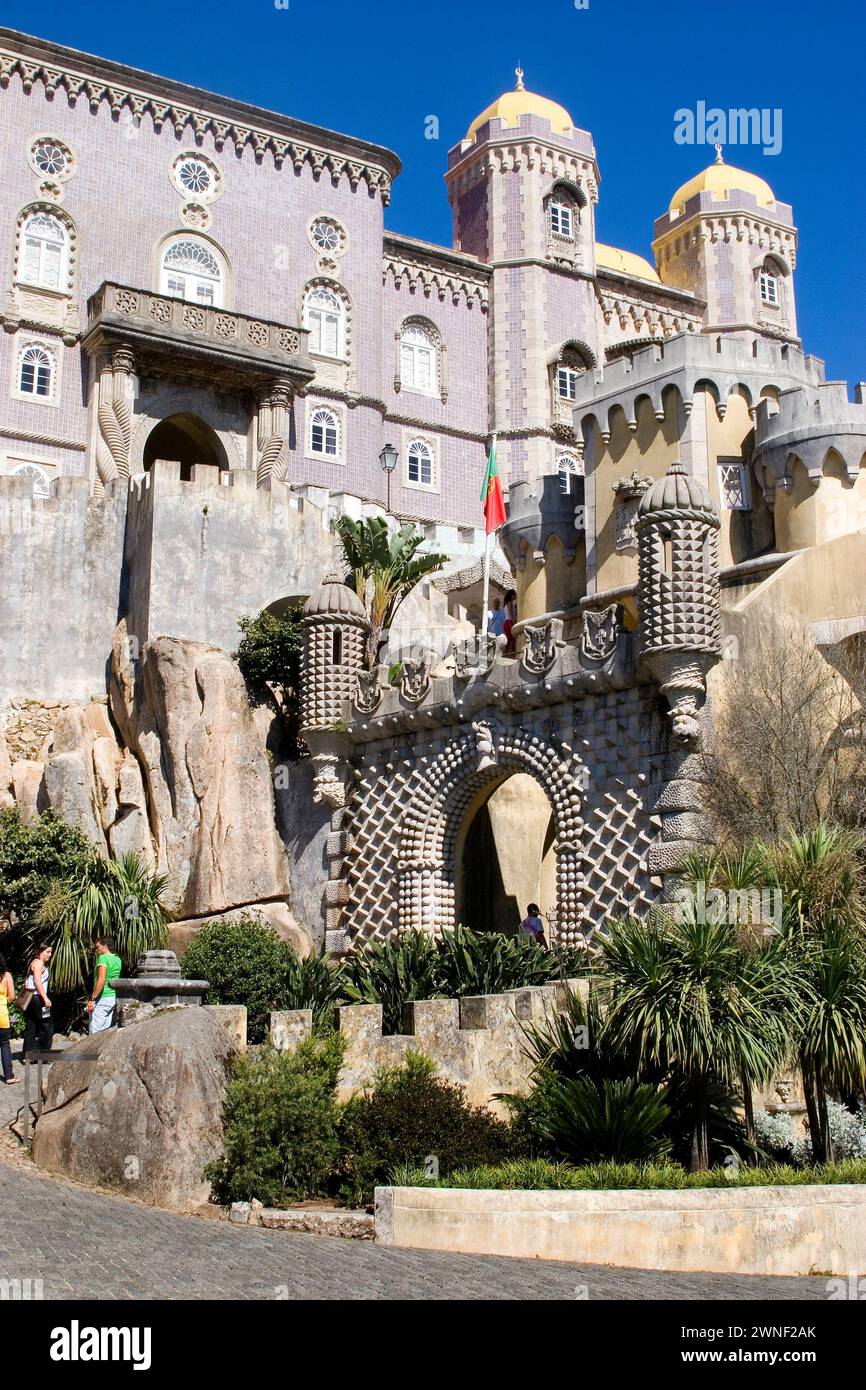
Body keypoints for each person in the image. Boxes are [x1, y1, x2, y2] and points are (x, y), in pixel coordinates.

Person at [22, 945, 53, 1057]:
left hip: (31, 999)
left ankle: (27, 1055)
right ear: (41, 951)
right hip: (38, 999)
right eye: (48, 952)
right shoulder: (39, 963)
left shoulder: (33, 962)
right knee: (47, 1025)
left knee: (31, 1025)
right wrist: (45, 998)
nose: (50, 954)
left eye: (50, 952)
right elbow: (37, 981)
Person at [87, 937, 122, 1034]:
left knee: (95, 1033)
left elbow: (101, 980)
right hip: (112, 998)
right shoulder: (117, 959)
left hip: (103, 998)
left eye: (98, 947)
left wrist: (92, 999)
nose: (96, 950)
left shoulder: (103, 958)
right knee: (105, 1033)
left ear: (105, 946)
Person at [0, 954, 17, 1084]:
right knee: (5, 1044)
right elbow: (12, 996)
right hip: (2, 1016)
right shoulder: (6, 976)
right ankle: (9, 1076)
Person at [503, 589, 518, 655]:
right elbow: (511, 614)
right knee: (511, 639)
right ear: (512, 595)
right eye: (515, 594)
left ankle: (509, 653)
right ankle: (505, 653)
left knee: (511, 639)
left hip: (507, 622)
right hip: (509, 622)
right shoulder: (510, 603)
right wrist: (515, 622)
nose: (516, 596)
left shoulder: (507, 603)